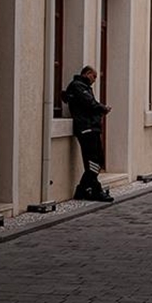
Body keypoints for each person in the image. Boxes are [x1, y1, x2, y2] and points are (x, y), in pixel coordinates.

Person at [63, 65, 113, 202]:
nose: (95, 80)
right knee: (92, 160)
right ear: (87, 73)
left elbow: (91, 104)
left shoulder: (84, 87)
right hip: (86, 128)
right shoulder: (78, 86)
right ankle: (96, 190)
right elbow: (89, 104)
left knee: (98, 159)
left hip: (92, 127)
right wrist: (103, 108)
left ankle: (82, 189)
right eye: (94, 76)